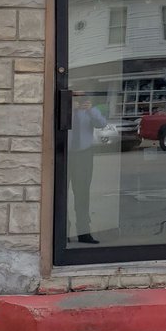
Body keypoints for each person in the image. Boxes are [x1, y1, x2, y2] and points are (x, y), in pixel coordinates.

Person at [69, 96, 108, 244]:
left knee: (82, 194)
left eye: (82, 99)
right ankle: (63, 232)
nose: (79, 102)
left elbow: (102, 123)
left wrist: (90, 110)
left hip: (83, 155)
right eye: (76, 98)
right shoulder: (66, 109)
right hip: (64, 154)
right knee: (60, 195)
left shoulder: (91, 111)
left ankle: (84, 232)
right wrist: (69, 109)